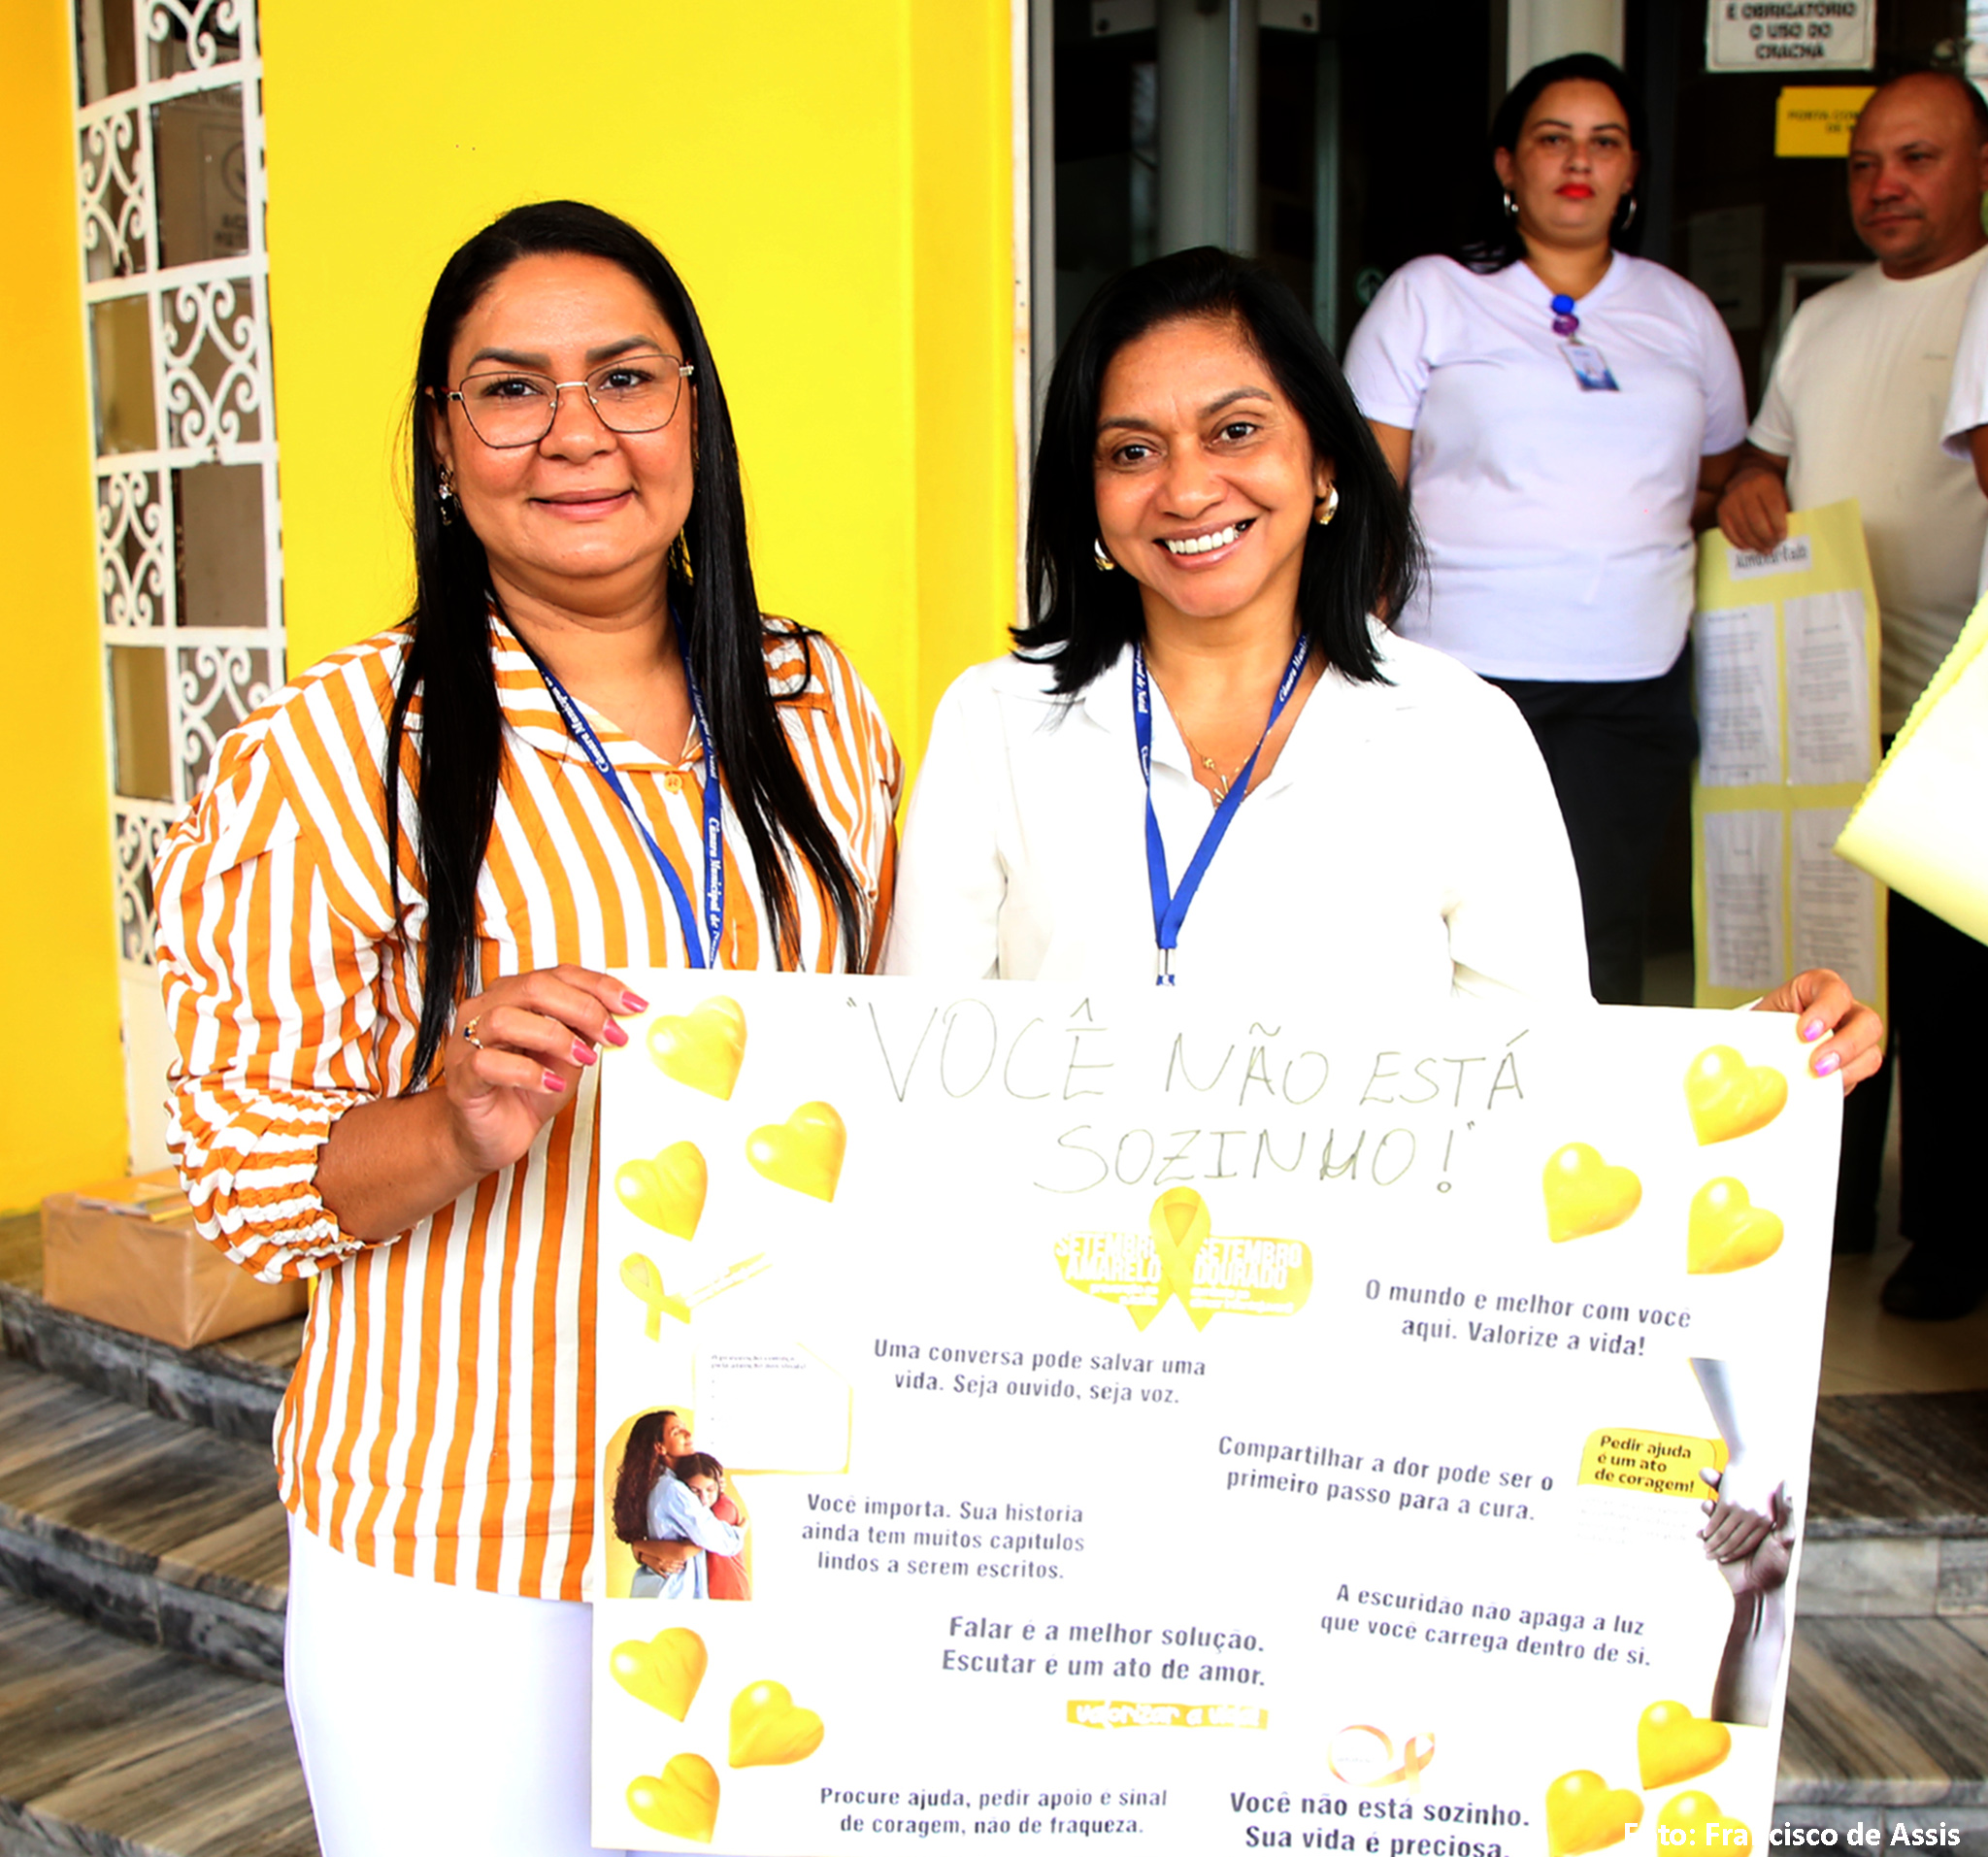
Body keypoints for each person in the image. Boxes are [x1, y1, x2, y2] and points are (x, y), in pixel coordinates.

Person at [153, 201, 900, 1856]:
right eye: (510, 389)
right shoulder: (333, 747)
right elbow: (238, 1173)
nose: (575, 432)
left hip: (765, 1503)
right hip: (468, 1540)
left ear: (692, 410)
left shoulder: (815, 706)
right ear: (442, 439)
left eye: (625, 378)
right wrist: (451, 1122)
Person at [882, 246, 1880, 1099]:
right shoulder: (994, 722)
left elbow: (1541, 1073)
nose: (1186, 489)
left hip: (1364, 1269)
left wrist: (1752, 1057)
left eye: (1236, 431)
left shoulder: (1459, 731)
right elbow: (915, 1066)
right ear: (1089, 495)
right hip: (1073, 1263)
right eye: (1132, 450)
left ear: (1323, 462)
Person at [1342, 54, 1746, 1008]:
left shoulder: (1680, 312)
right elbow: (1367, 493)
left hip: (1629, 679)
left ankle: (1586, 1108)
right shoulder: (1431, 294)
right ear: (1506, 165)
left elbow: (1719, 477)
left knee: (1600, 930)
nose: (1578, 161)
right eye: (1552, 139)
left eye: (1604, 142)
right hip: (1459, 669)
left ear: (1632, 168)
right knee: (1435, 926)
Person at [1717, 71, 1988, 1320]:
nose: (1883, 185)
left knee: (1948, 989)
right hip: (1819, 704)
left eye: (1916, 158)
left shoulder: (1985, 295)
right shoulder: (1821, 318)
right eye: (1864, 163)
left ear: (1977, 165)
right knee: (1822, 956)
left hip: (1948, 699)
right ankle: (1823, 1207)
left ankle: (1949, 1231)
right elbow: (1758, 465)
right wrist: (1745, 487)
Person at [632, 1453, 742, 1600]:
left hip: (726, 1593)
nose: (704, 1499)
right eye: (694, 1491)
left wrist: (640, 1549)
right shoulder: (683, 1507)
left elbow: (685, 1550)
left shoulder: (721, 1508)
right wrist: (640, 1551)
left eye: (710, 1489)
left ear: (719, 1486)